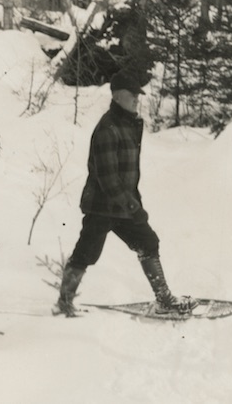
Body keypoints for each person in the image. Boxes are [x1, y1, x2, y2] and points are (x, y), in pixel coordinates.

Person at [54, 71, 197, 317]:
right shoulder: (108, 129)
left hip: (122, 206)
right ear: (118, 96)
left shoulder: (127, 125)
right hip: (101, 207)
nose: (136, 100)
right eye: (133, 95)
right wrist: (135, 209)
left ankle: (164, 300)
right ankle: (64, 303)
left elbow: (127, 176)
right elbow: (109, 180)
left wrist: (134, 205)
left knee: (148, 242)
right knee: (85, 254)